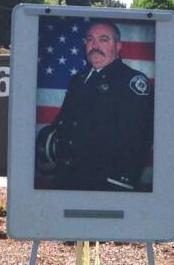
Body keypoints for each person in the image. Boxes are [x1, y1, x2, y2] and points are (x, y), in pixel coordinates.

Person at [52, 20, 153, 191]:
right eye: (90, 39)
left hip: (105, 183)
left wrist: (121, 181)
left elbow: (137, 138)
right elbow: (66, 123)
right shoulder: (79, 79)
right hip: (68, 177)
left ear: (118, 46)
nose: (95, 46)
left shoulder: (130, 82)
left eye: (103, 40)